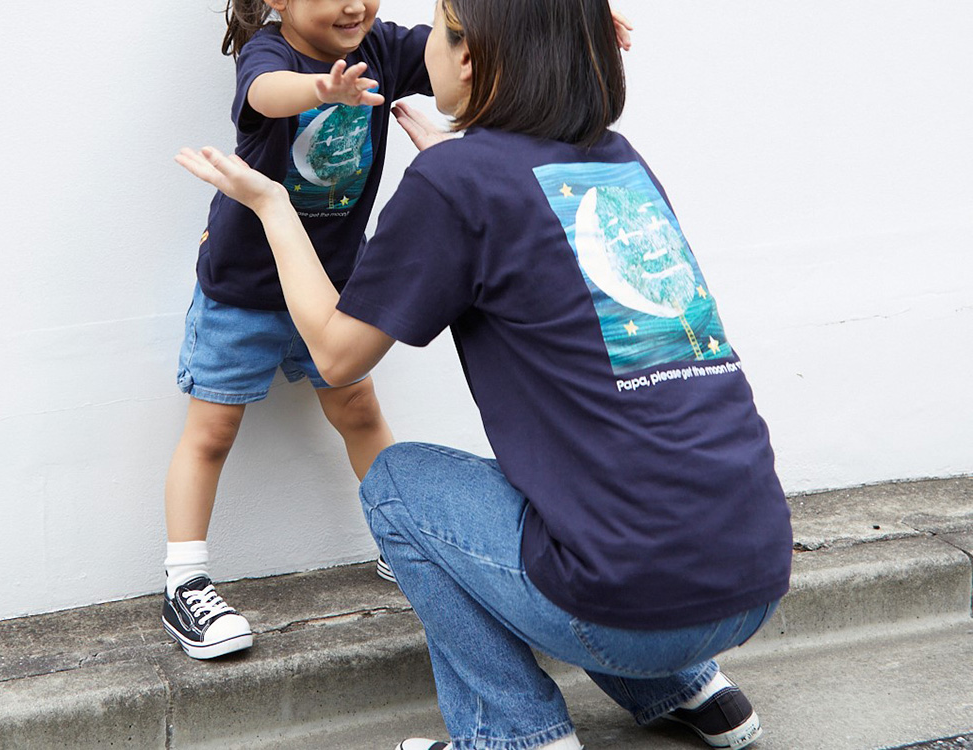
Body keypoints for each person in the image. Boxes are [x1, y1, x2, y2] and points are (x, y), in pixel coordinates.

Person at [176, 1, 792, 749]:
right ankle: (689, 687)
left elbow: (335, 355)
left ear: (467, 57)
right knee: (592, 471)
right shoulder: (617, 158)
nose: (414, 38)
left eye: (436, 26)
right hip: (753, 577)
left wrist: (272, 205)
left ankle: (514, 735)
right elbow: (509, 204)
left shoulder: (458, 182)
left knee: (399, 485)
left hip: (628, 609)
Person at [161, 0, 434, 660]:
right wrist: (323, 89)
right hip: (244, 294)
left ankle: (403, 545)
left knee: (361, 411)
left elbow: (470, 48)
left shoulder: (387, 47)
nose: (353, 4)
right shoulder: (271, 51)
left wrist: (578, 24)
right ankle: (184, 582)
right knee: (212, 432)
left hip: (333, 291)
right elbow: (264, 92)